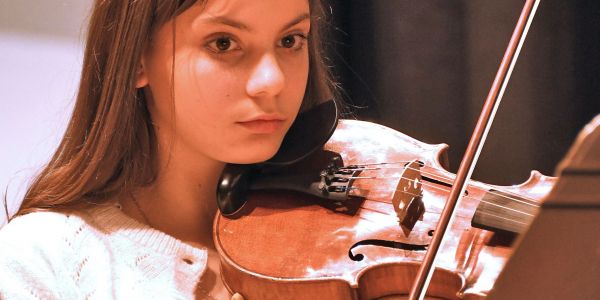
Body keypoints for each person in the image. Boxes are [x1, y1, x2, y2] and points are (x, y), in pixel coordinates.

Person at [0, 0, 336, 298]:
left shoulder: (348, 243)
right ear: (137, 60)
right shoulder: (41, 261)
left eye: (290, 40)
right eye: (223, 43)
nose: (272, 80)